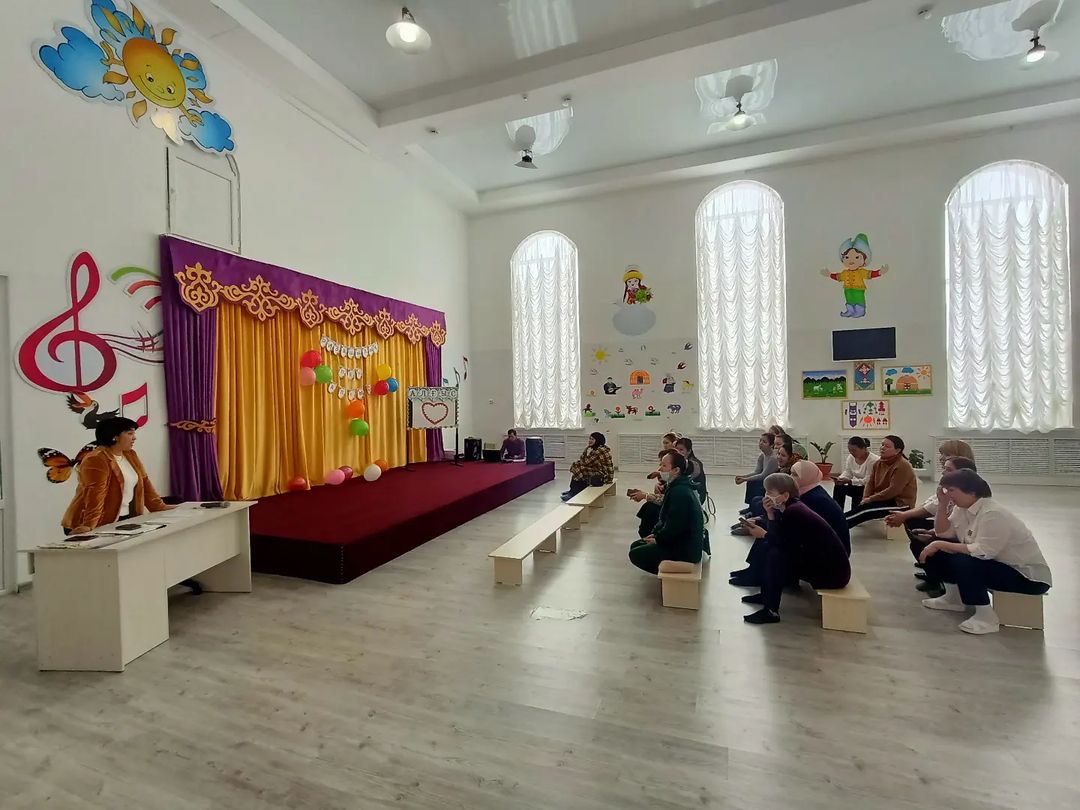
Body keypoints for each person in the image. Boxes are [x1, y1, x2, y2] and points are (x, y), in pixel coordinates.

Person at [62, 418, 195, 591]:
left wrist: (159, 507)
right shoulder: (96, 459)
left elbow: (145, 484)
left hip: (121, 520)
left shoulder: (130, 455)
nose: (134, 438)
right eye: (130, 433)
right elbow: (95, 496)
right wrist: (88, 525)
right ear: (115, 436)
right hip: (92, 521)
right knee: (108, 574)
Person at [919, 469, 1051, 635]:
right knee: (937, 549)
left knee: (964, 562)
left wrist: (939, 544)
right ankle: (953, 598)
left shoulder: (993, 513)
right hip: (998, 566)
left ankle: (986, 616)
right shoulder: (962, 508)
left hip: (1026, 577)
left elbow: (983, 552)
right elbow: (943, 533)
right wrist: (942, 505)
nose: (948, 494)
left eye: (952, 490)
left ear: (971, 491)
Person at [738, 473, 851, 624]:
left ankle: (771, 610)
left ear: (785, 495)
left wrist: (763, 534)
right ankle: (766, 595)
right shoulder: (790, 507)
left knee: (774, 554)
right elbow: (781, 536)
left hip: (832, 573)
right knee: (770, 547)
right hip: (820, 562)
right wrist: (770, 514)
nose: (766, 496)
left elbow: (783, 543)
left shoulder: (794, 511)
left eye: (770, 492)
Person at [888, 454, 978, 597]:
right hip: (961, 539)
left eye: (948, 469)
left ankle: (945, 584)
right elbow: (945, 526)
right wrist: (932, 532)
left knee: (930, 544)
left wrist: (936, 541)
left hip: (975, 550)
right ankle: (936, 577)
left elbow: (974, 542)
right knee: (919, 538)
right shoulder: (950, 492)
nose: (943, 472)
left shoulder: (971, 498)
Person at [628, 451, 704, 575]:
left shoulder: (680, 492)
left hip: (686, 549)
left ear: (676, 470)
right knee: (636, 545)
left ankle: (673, 573)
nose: (660, 469)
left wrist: (659, 540)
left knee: (636, 553)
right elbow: (667, 520)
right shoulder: (677, 485)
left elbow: (675, 526)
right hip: (681, 541)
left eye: (664, 466)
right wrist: (655, 535)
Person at [845, 435, 917, 528]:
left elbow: (893, 491)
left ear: (897, 450)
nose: (882, 448)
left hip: (900, 504)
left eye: (887, 446)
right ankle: (835, 522)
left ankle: (837, 527)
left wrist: (870, 499)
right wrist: (866, 497)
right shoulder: (878, 463)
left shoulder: (902, 465)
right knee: (861, 508)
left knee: (866, 511)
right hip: (884, 499)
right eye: (882, 445)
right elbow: (870, 483)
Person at [790, 460, 851, 554]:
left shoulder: (812, 499)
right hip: (832, 550)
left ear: (807, 476)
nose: (790, 477)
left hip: (833, 555)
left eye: (795, 475)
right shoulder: (813, 491)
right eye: (791, 473)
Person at [561, 432, 614, 502]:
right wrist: (579, 462)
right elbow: (582, 459)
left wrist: (577, 464)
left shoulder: (600, 450)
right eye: (590, 439)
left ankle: (573, 492)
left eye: (592, 439)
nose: (590, 441)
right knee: (579, 468)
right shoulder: (591, 448)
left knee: (580, 469)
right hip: (597, 470)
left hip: (604, 476)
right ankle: (573, 490)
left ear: (598, 440)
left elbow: (587, 462)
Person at [831, 436, 878, 511]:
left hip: (868, 488)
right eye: (850, 450)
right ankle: (837, 512)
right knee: (839, 487)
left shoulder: (873, 460)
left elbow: (868, 480)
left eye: (854, 450)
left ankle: (855, 512)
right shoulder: (851, 457)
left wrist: (850, 481)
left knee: (856, 504)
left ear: (864, 448)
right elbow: (848, 472)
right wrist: (840, 478)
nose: (852, 453)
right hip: (856, 485)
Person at [735, 433, 778, 510]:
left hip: (770, 482)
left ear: (771, 445)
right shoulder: (762, 456)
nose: (761, 443)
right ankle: (750, 507)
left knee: (756, 483)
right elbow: (757, 472)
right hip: (764, 479)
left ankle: (754, 509)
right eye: (760, 441)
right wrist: (743, 477)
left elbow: (763, 476)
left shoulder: (773, 459)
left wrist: (744, 479)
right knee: (751, 482)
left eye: (764, 442)